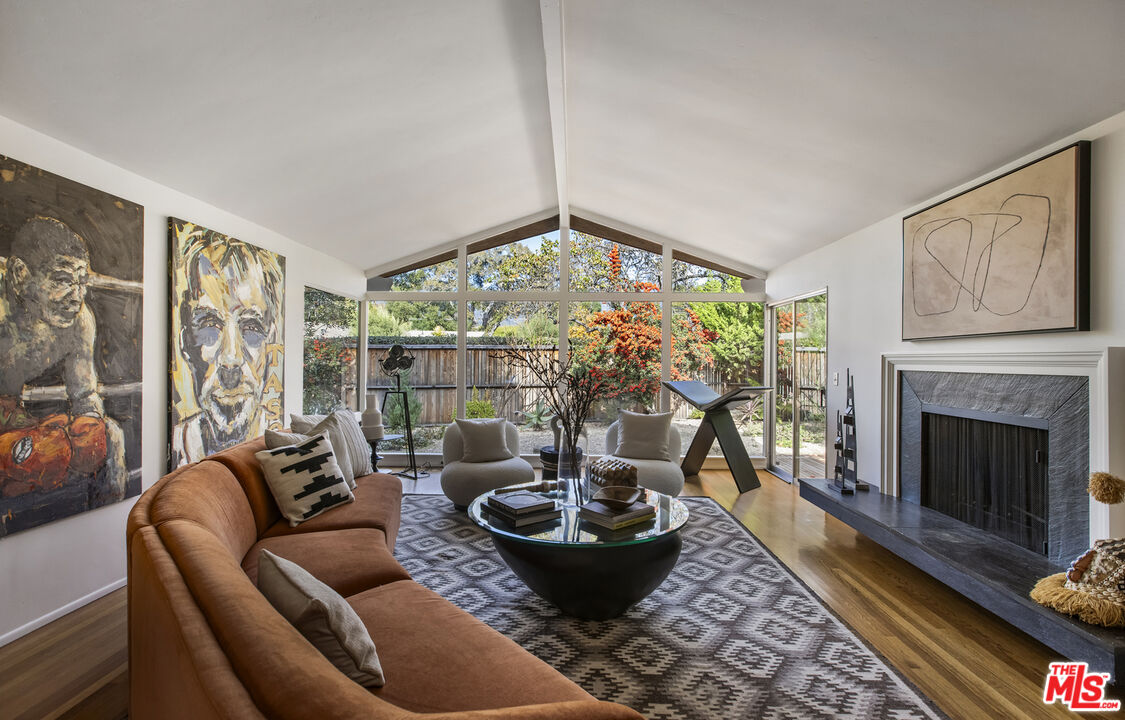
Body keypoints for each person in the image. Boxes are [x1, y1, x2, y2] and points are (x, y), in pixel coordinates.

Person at [0, 216, 127, 502]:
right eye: (62, 280)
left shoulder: (80, 321)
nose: (76, 296)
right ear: (21, 275)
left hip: (12, 414)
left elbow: (85, 396)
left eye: (82, 282)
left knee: (108, 436)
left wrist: (89, 435)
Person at [171, 232, 283, 466]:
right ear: (185, 343)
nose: (230, 360)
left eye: (251, 328)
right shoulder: (176, 450)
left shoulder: (281, 440)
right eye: (209, 327)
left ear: (270, 343)